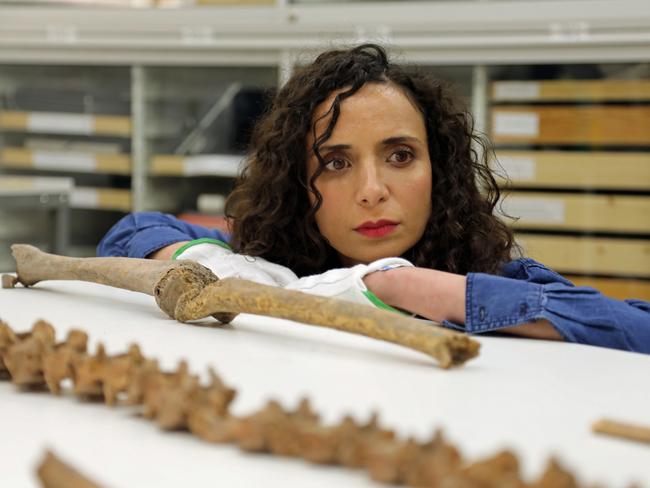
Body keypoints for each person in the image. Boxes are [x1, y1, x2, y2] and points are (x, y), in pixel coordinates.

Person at [98, 44, 650, 354]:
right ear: (297, 186)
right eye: (335, 164)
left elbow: (638, 327)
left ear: (440, 170)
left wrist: (408, 287)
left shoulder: (492, 278)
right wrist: (207, 266)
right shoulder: (272, 263)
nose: (371, 191)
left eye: (400, 156)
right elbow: (133, 230)